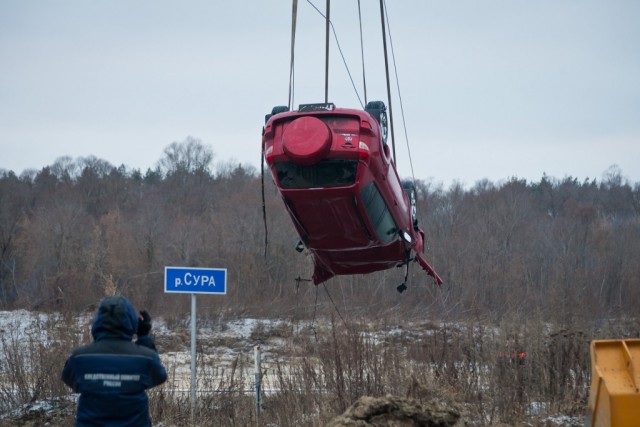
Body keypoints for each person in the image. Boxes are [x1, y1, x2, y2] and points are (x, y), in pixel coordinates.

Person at [62, 295, 167, 427]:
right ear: (131, 322)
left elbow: (69, 378)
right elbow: (159, 377)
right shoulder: (146, 358)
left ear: (98, 322)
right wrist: (144, 337)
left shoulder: (79, 357)